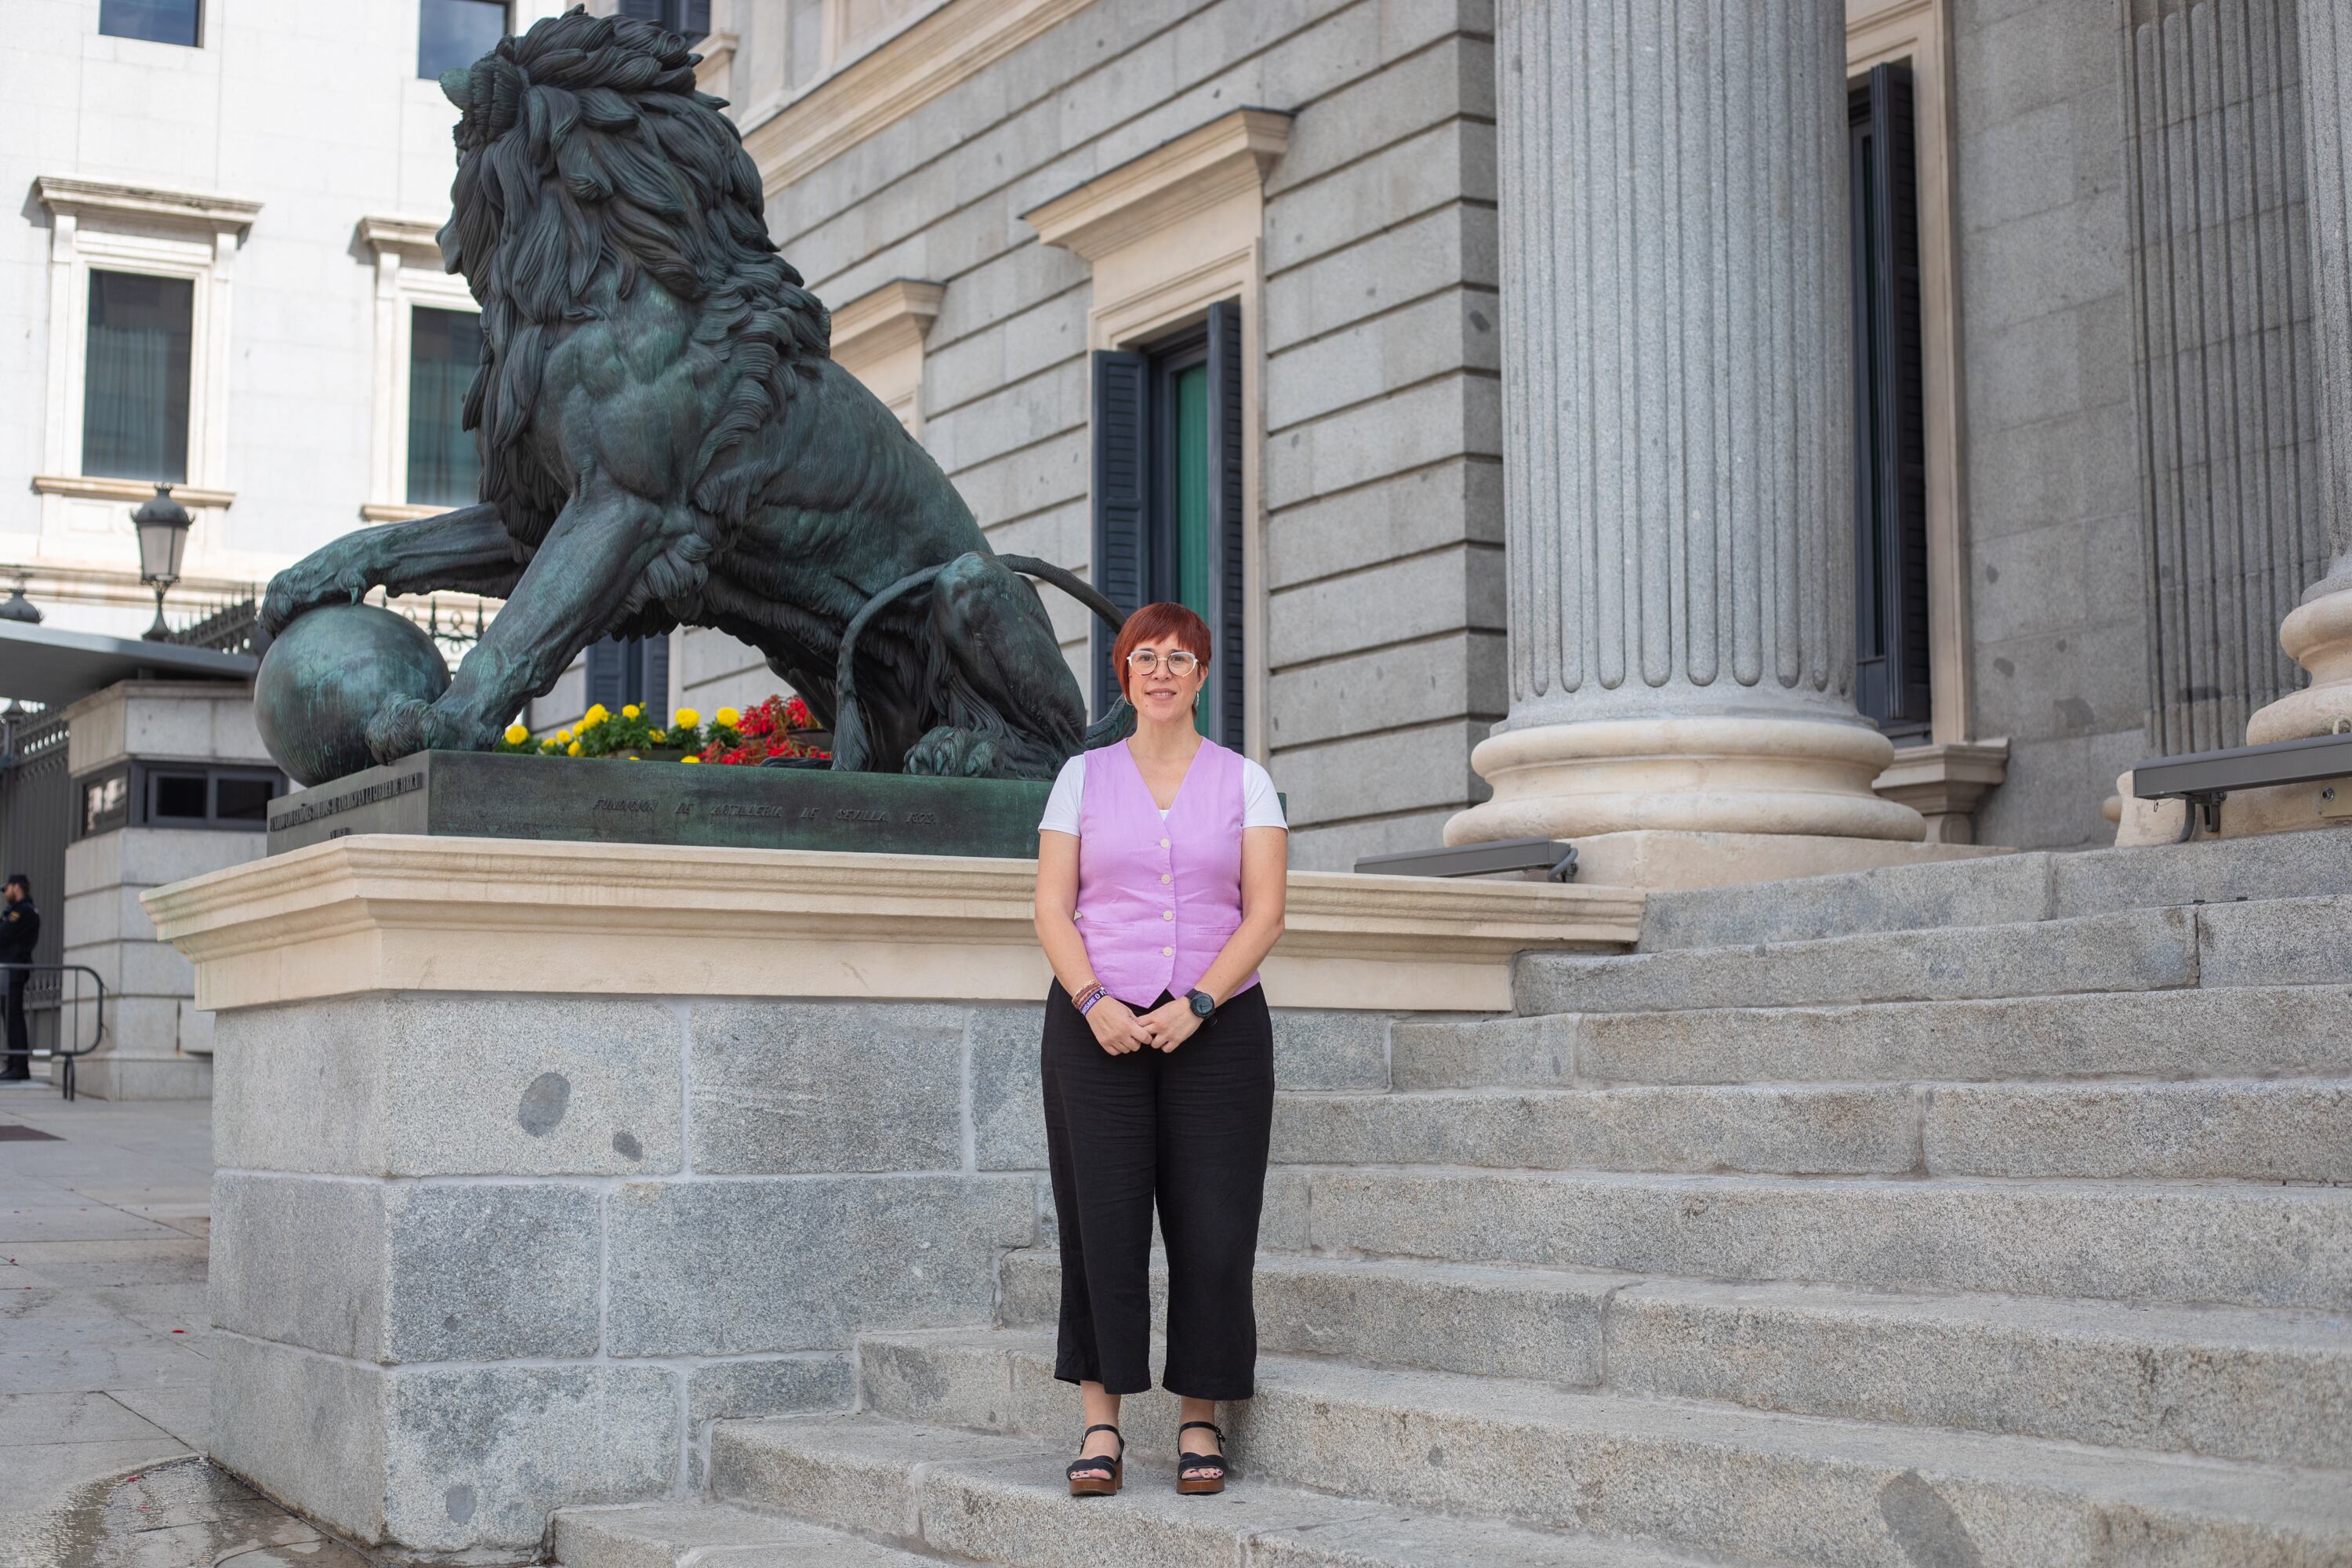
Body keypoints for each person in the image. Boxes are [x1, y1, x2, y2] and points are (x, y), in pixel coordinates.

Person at [1031, 601, 1288, 1498]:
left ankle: (1199, 1418)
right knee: (1100, 1225)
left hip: (1217, 1031)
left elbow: (1264, 912)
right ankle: (1102, 1420)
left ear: (1204, 676)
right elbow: (1052, 909)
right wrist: (1093, 997)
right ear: (1124, 673)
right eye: (1145, 656)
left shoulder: (1245, 781)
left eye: (1181, 657)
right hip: (1093, 1026)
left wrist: (1203, 1001)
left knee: (1215, 1228)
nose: (1162, 670)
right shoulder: (1080, 778)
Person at [1, 874, 39, 1083]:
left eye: (6, 888)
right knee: (10, 1018)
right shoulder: (17, 911)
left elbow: (4, 936)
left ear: (16, 887)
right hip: (8, 972)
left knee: (14, 1018)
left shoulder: (22, 912)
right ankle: (13, 1064)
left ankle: (19, 1066)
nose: (5, 893)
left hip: (13, 972)